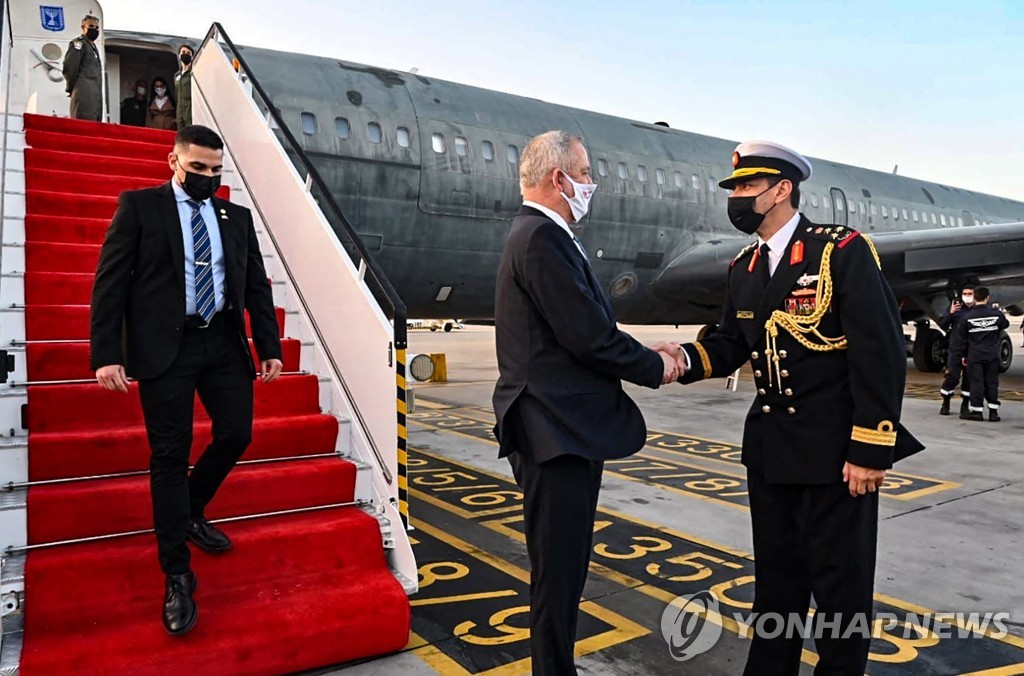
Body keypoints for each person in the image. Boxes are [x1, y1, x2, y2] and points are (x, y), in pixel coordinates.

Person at [676, 141, 923, 676]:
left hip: (837, 457)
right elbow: (729, 343)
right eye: (735, 188)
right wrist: (677, 361)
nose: (737, 198)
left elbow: (878, 352)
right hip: (770, 454)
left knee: (841, 590)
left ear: (781, 189)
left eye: (746, 187)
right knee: (777, 583)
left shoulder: (840, 250)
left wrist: (870, 447)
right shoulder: (744, 265)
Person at [491, 131, 682, 675]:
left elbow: (579, 328)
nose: (590, 185)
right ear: (559, 179)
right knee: (558, 568)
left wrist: (644, 347)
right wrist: (656, 367)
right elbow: (587, 338)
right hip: (554, 430)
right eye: (585, 173)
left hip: (561, 426)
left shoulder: (541, 235)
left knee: (565, 564)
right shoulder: (542, 239)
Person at [90, 125, 284, 636]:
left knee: (237, 433)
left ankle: (192, 509)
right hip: (164, 348)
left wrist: (269, 346)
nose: (207, 179)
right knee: (169, 457)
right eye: (197, 168)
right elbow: (109, 283)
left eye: (216, 171)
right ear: (172, 161)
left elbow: (254, 287)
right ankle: (177, 573)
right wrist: (107, 354)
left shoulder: (235, 217)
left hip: (221, 341)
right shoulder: (139, 207)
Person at [957, 287, 1008, 422]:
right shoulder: (996, 314)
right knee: (992, 382)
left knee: (976, 383)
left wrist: (963, 355)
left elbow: (962, 339)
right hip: (992, 353)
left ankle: (977, 411)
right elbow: (1005, 324)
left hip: (975, 354)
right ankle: (993, 412)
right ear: (987, 298)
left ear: (974, 298)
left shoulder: (966, 317)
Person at [938, 286, 973, 416]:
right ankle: (945, 403)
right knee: (952, 377)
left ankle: (965, 405)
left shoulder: (978, 310)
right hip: (957, 348)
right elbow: (943, 324)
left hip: (972, 349)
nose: (967, 296)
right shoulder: (956, 308)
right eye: (965, 293)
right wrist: (950, 312)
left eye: (970, 293)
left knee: (969, 379)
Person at [62, 15, 103, 121]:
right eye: (91, 26)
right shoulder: (79, 43)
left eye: (97, 27)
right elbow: (70, 66)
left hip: (95, 95)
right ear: (83, 27)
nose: (94, 29)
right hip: (83, 92)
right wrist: (71, 87)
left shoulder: (93, 48)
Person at [174, 45, 195, 129]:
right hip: (180, 111)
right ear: (179, 55)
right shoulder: (177, 75)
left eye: (188, 53)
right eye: (183, 52)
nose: (185, 54)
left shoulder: (193, 73)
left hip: (190, 109)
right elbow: (177, 92)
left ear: (192, 57)